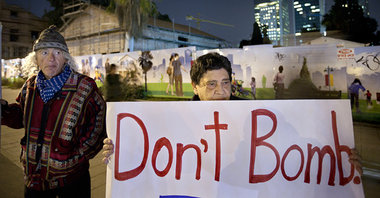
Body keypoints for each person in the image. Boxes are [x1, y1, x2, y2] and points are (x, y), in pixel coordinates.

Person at [101, 52, 362, 176]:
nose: (221, 91)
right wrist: (121, 150)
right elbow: (149, 151)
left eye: (225, 82)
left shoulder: (252, 114)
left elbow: (292, 147)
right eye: (211, 85)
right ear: (195, 87)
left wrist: (338, 162)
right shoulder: (177, 118)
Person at [0, 25, 107, 198]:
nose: (51, 58)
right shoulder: (30, 86)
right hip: (34, 180)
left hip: (72, 181)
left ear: (65, 58)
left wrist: (77, 156)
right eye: (44, 52)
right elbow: (22, 116)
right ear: (35, 59)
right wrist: (3, 110)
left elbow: (98, 124)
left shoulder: (85, 87)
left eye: (57, 52)